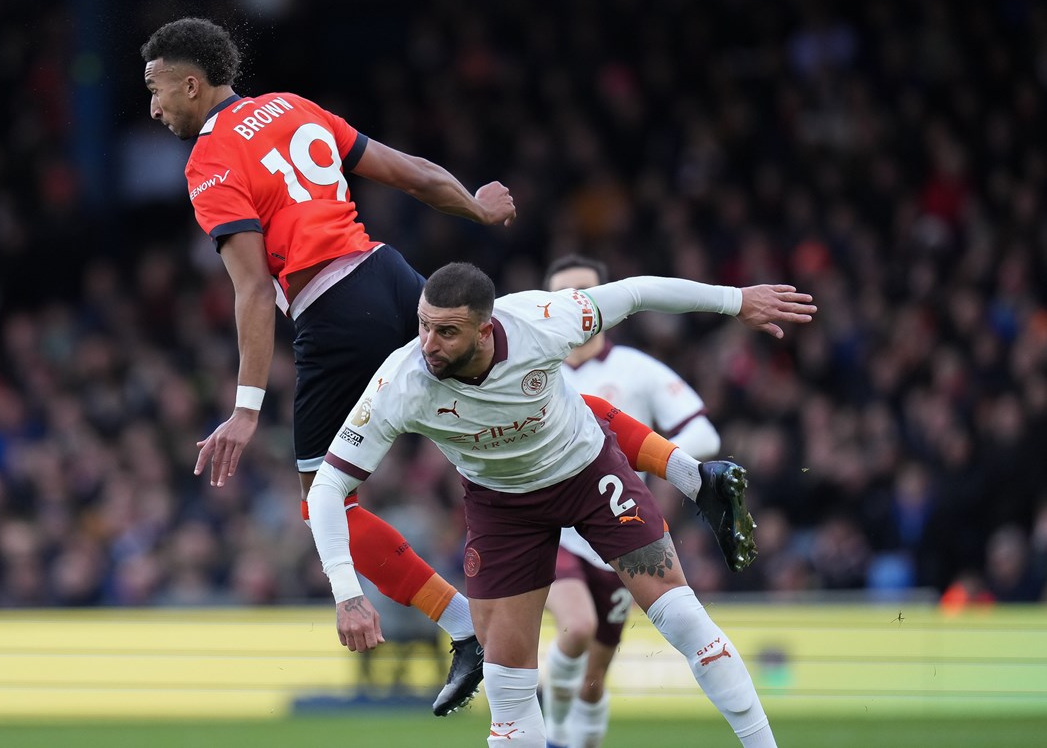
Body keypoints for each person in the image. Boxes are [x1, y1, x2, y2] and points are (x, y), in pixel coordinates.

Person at [143, 16, 517, 714]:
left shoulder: (209, 161)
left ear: (191, 83)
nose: (154, 106)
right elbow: (406, 172)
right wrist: (474, 205)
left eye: (157, 89)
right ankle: (641, 476)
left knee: (324, 504)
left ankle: (463, 625)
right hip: (394, 277)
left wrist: (245, 408)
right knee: (504, 407)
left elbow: (253, 287)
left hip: (333, 309)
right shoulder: (291, 106)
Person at [308, 262, 815, 746]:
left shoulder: (541, 321)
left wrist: (736, 301)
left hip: (588, 475)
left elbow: (636, 293)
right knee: (508, 691)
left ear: (486, 329)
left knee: (682, 618)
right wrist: (347, 592)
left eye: (447, 332)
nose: (428, 344)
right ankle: (694, 478)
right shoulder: (401, 382)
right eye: (423, 326)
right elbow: (327, 487)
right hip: (501, 508)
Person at [539, 254, 732, 748]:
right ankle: (550, 724)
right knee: (576, 627)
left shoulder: (637, 370)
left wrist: (658, 462)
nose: (574, 305)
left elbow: (702, 434)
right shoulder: (534, 371)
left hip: (620, 531)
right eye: (562, 296)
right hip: (553, 530)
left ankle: (571, 733)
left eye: (583, 293)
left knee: (594, 676)